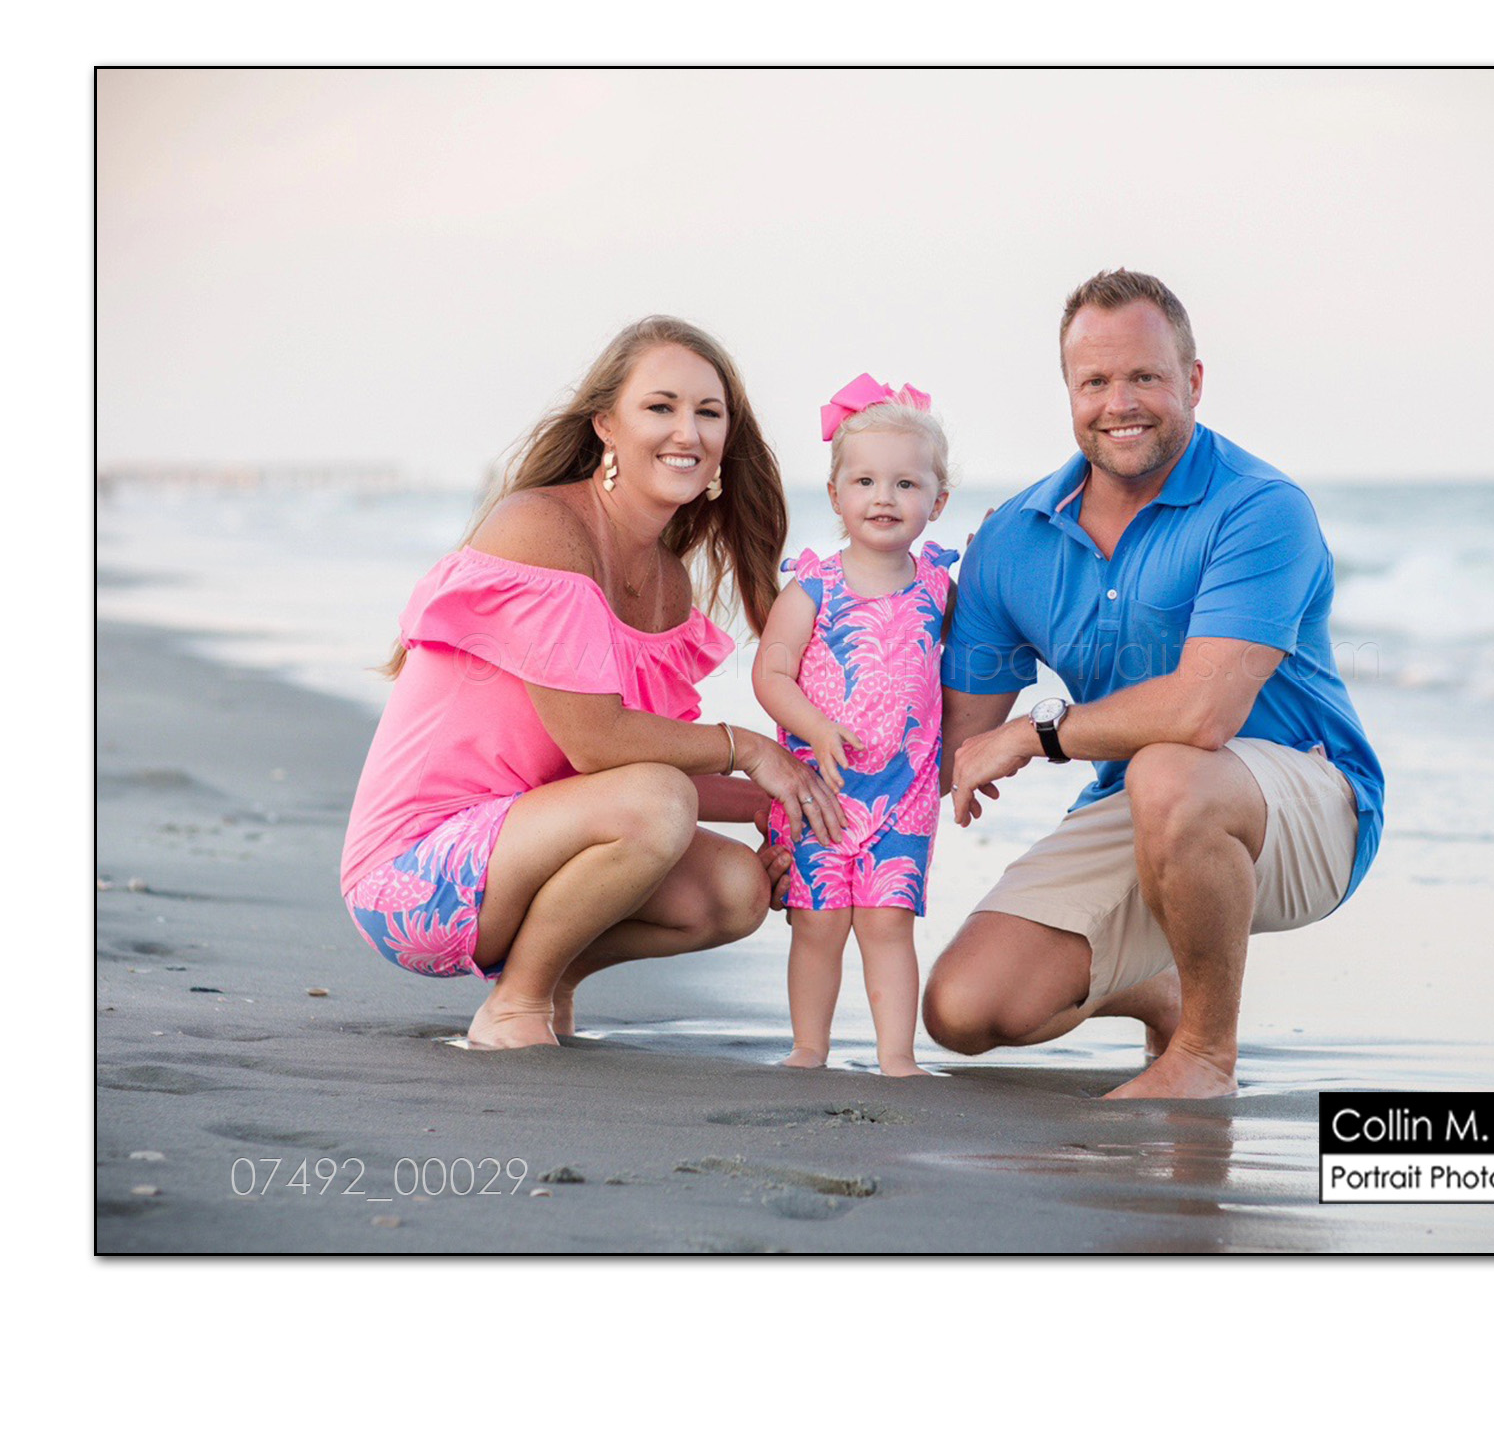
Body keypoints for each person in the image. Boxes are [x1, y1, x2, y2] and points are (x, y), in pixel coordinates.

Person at [925, 270, 1384, 1100]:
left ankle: (1205, 1054)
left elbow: (1204, 713)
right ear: (1069, 392)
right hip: (1140, 804)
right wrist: (891, 608)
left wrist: (1035, 732)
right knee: (963, 1009)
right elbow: (955, 743)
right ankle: (1164, 984)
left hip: (1310, 804)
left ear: (1193, 381)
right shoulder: (1012, 540)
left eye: (1145, 376)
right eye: (1095, 382)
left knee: (1171, 770)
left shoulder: (1261, 507)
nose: (1120, 403)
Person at [340, 315, 843, 1050]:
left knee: (737, 891)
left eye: (709, 413)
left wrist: (776, 805)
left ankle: (552, 974)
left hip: (525, 847)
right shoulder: (542, 527)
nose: (688, 432)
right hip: (413, 878)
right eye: (661, 406)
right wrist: (749, 749)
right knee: (658, 803)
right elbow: (600, 744)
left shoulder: (666, 583)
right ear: (607, 424)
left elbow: (630, 770)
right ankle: (515, 1004)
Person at [752, 374, 958, 1077]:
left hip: (904, 794)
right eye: (865, 481)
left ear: (938, 500)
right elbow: (771, 675)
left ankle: (897, 1056)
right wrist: (816, 727)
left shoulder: (939, 587)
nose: (884, 497)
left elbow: (972, 671)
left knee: (888, 922)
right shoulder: (814, 586)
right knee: (817, 924)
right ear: (836, 494)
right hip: (821, 790)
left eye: (906, 484)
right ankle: (809, 1047)